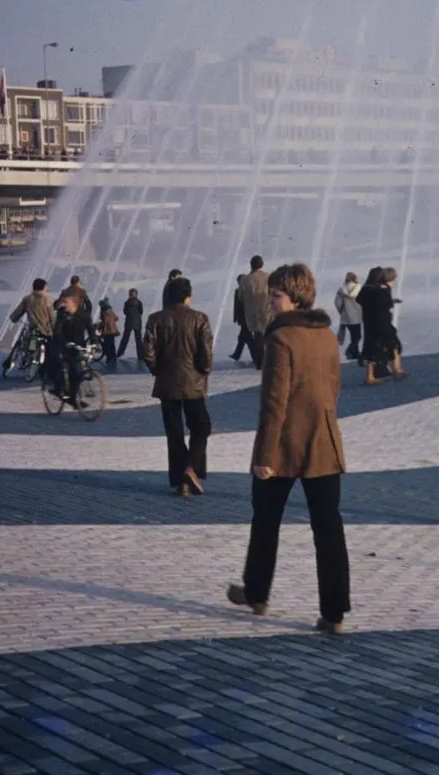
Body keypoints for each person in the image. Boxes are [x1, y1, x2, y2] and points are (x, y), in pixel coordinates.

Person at [227, 263, 351, 635]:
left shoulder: (280, 339)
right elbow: (334, 391)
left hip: (283, 447)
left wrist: (263, 457)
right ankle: (334, 613)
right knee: (328, 528)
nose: (272, 303)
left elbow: (274, 403)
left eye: (277, 296)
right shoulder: (328, 337)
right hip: (325, 443)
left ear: (295, 297)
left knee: (265, 521)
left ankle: (257, 593)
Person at [142, 276, 214, 497]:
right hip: (194, 382)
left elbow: (148, 352)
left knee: (174, 433)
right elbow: (206, 352)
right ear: (188, 296)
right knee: (201, 427)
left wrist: (157, 369)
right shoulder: (200, 318)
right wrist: (204, 370)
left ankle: (181, 478)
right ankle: (191, 469)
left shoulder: (155, 319)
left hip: (167, 383)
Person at [46, 294, 95, 405]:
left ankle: (72, 395)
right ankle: (58, 389)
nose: (64, 305)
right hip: (63, 344)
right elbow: (57, 330)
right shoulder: (62, 313)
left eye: (66, 303)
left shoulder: (84, 315)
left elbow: (91, 330)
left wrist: (94, 343)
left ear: (75, 304)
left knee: (78, 371)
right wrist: (64, 342)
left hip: (78, 345)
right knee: (67, 367)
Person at [4, 278, 57, 372]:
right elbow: (52, 317)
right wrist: (55, 329)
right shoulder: (48, 300)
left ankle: (29, 359)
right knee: (50, 349)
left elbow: (17, 313)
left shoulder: (28, 299)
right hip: (46, 331)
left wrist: (14, 319)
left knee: (31, 346)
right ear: (44, 287)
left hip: (34, 330)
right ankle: (46, 368)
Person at [239, 256, 272, 370]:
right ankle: (269, 360)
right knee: (268, 336)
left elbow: (241, 297)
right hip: (267, 311)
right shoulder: (269, 278)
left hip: (252, 313)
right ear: (262, 265)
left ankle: (259, 361)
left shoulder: (245, 280)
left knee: (257, 337)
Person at [334, 272, 363, 361]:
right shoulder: (359, 288)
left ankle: (355, 353)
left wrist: (342, 312)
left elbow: (337, 303)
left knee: (353, 336)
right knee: (357, 336)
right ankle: (350, 351)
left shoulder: (341, 290)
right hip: (357, 316)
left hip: (346, 317)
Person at [228, 273, 252, 363]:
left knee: (245, 338)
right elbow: (236, 305)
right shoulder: (238, 291)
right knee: (244, 338)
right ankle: (237, 355)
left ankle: (238, 355)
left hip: (246, 318)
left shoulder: (247, 291)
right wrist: (235, 317)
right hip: (243, 318)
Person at [117, 288, 144, 361]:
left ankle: (120, 353)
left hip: (129, 322)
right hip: (137, 323)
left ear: (129, 295)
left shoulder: (127, 303)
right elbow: (141, 312)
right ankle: (140, 355)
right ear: (136, 295)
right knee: (138, 340)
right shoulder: (139, 303)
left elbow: (125, 312)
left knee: (125, 339)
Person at [97, 298, 120, 368]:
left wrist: (98, 325)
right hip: (113, 330)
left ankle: (109, 358)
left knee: (108, 344)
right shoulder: (110, 310)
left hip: (107, 331)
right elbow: (116, 318)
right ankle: (114, 357)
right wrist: (112, 321)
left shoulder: (104, 312)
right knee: (112, 344)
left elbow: (104, 322)